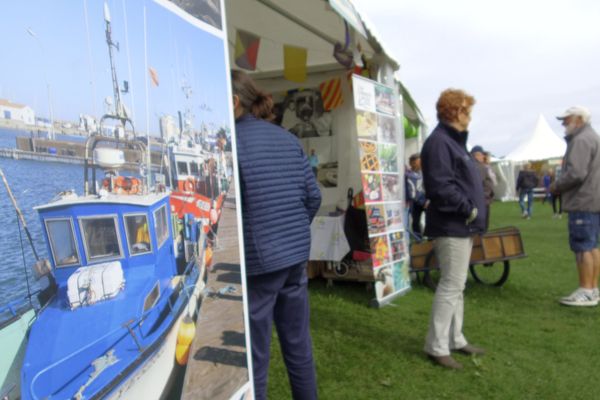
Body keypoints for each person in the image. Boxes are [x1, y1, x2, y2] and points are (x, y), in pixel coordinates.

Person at [231, 70, 321, 399]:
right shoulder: (287, 138)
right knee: (298, 345)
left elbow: (234, 211)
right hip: (294, 257)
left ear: (234, 101)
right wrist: (292, 232)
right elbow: (313, 198)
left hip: (260, 262)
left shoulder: (232, 145)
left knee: (255, 357)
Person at [421, 88, 486, 369]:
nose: (469, 117)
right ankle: (436, 346)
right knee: (451, 285)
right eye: (467, 111)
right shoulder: (439, 143)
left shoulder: (453, 142)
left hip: (461, 225)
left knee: (457, 285)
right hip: (452, 224)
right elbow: (440, 186)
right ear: (455, 112)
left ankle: (455, 339)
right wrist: (468, 208)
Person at [549, 106, 600, 307]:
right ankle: (592, 288)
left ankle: (586, 289)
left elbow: (576, 173)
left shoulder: (580, 140)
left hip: (583, 201)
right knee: (593, 246)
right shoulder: (593, 137)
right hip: (593, 201)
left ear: (578, 120)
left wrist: (555, 186)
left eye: (566, 120)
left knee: (582, 247)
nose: (563, 124)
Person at [471, 145, 494, 231]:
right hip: (481, 201)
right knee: (482, 229)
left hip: (477, 201)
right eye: (482, 154)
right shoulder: (479, 167)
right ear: (476, 155)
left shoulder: (473, 166)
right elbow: (479, 185)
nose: (483, 157)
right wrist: (488, 195)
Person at [406, 153, 426, 236]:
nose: (413, 165)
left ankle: (430, 239)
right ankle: (418, 239)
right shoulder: (408, 174)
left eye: (415, 162)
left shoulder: (426, 172)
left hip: (426, 201)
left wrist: (429, 200)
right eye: (412, 163)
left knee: (430, 220)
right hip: (415, 202)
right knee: (415, 222)